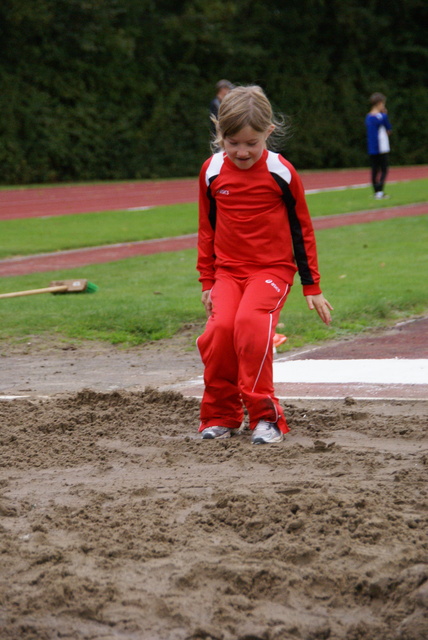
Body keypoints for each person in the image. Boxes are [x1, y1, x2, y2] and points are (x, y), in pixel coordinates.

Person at [196, 85, 333, 445]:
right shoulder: (210, 171)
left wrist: (311, 285)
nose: (241, 151)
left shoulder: (281, 173)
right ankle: (220, 416)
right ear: (219, 134)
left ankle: (266, 419)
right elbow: (206, 229)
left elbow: (302, 228)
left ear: (268, 133)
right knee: (219, 332)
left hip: (271, 271)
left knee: (250, 327)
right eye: (232, 142)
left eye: (251, 143)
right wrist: (207, 281)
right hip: (227, 272)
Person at [365, 92, 392, 199]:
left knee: (374, 169)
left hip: (372, 146)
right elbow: (388, 129)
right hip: (381, 146)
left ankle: (376, 191)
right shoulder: (381, 116)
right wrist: (385, 114)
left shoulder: (368, 117)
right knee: (384, 169)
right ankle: (380, 191)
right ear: (380, 103)